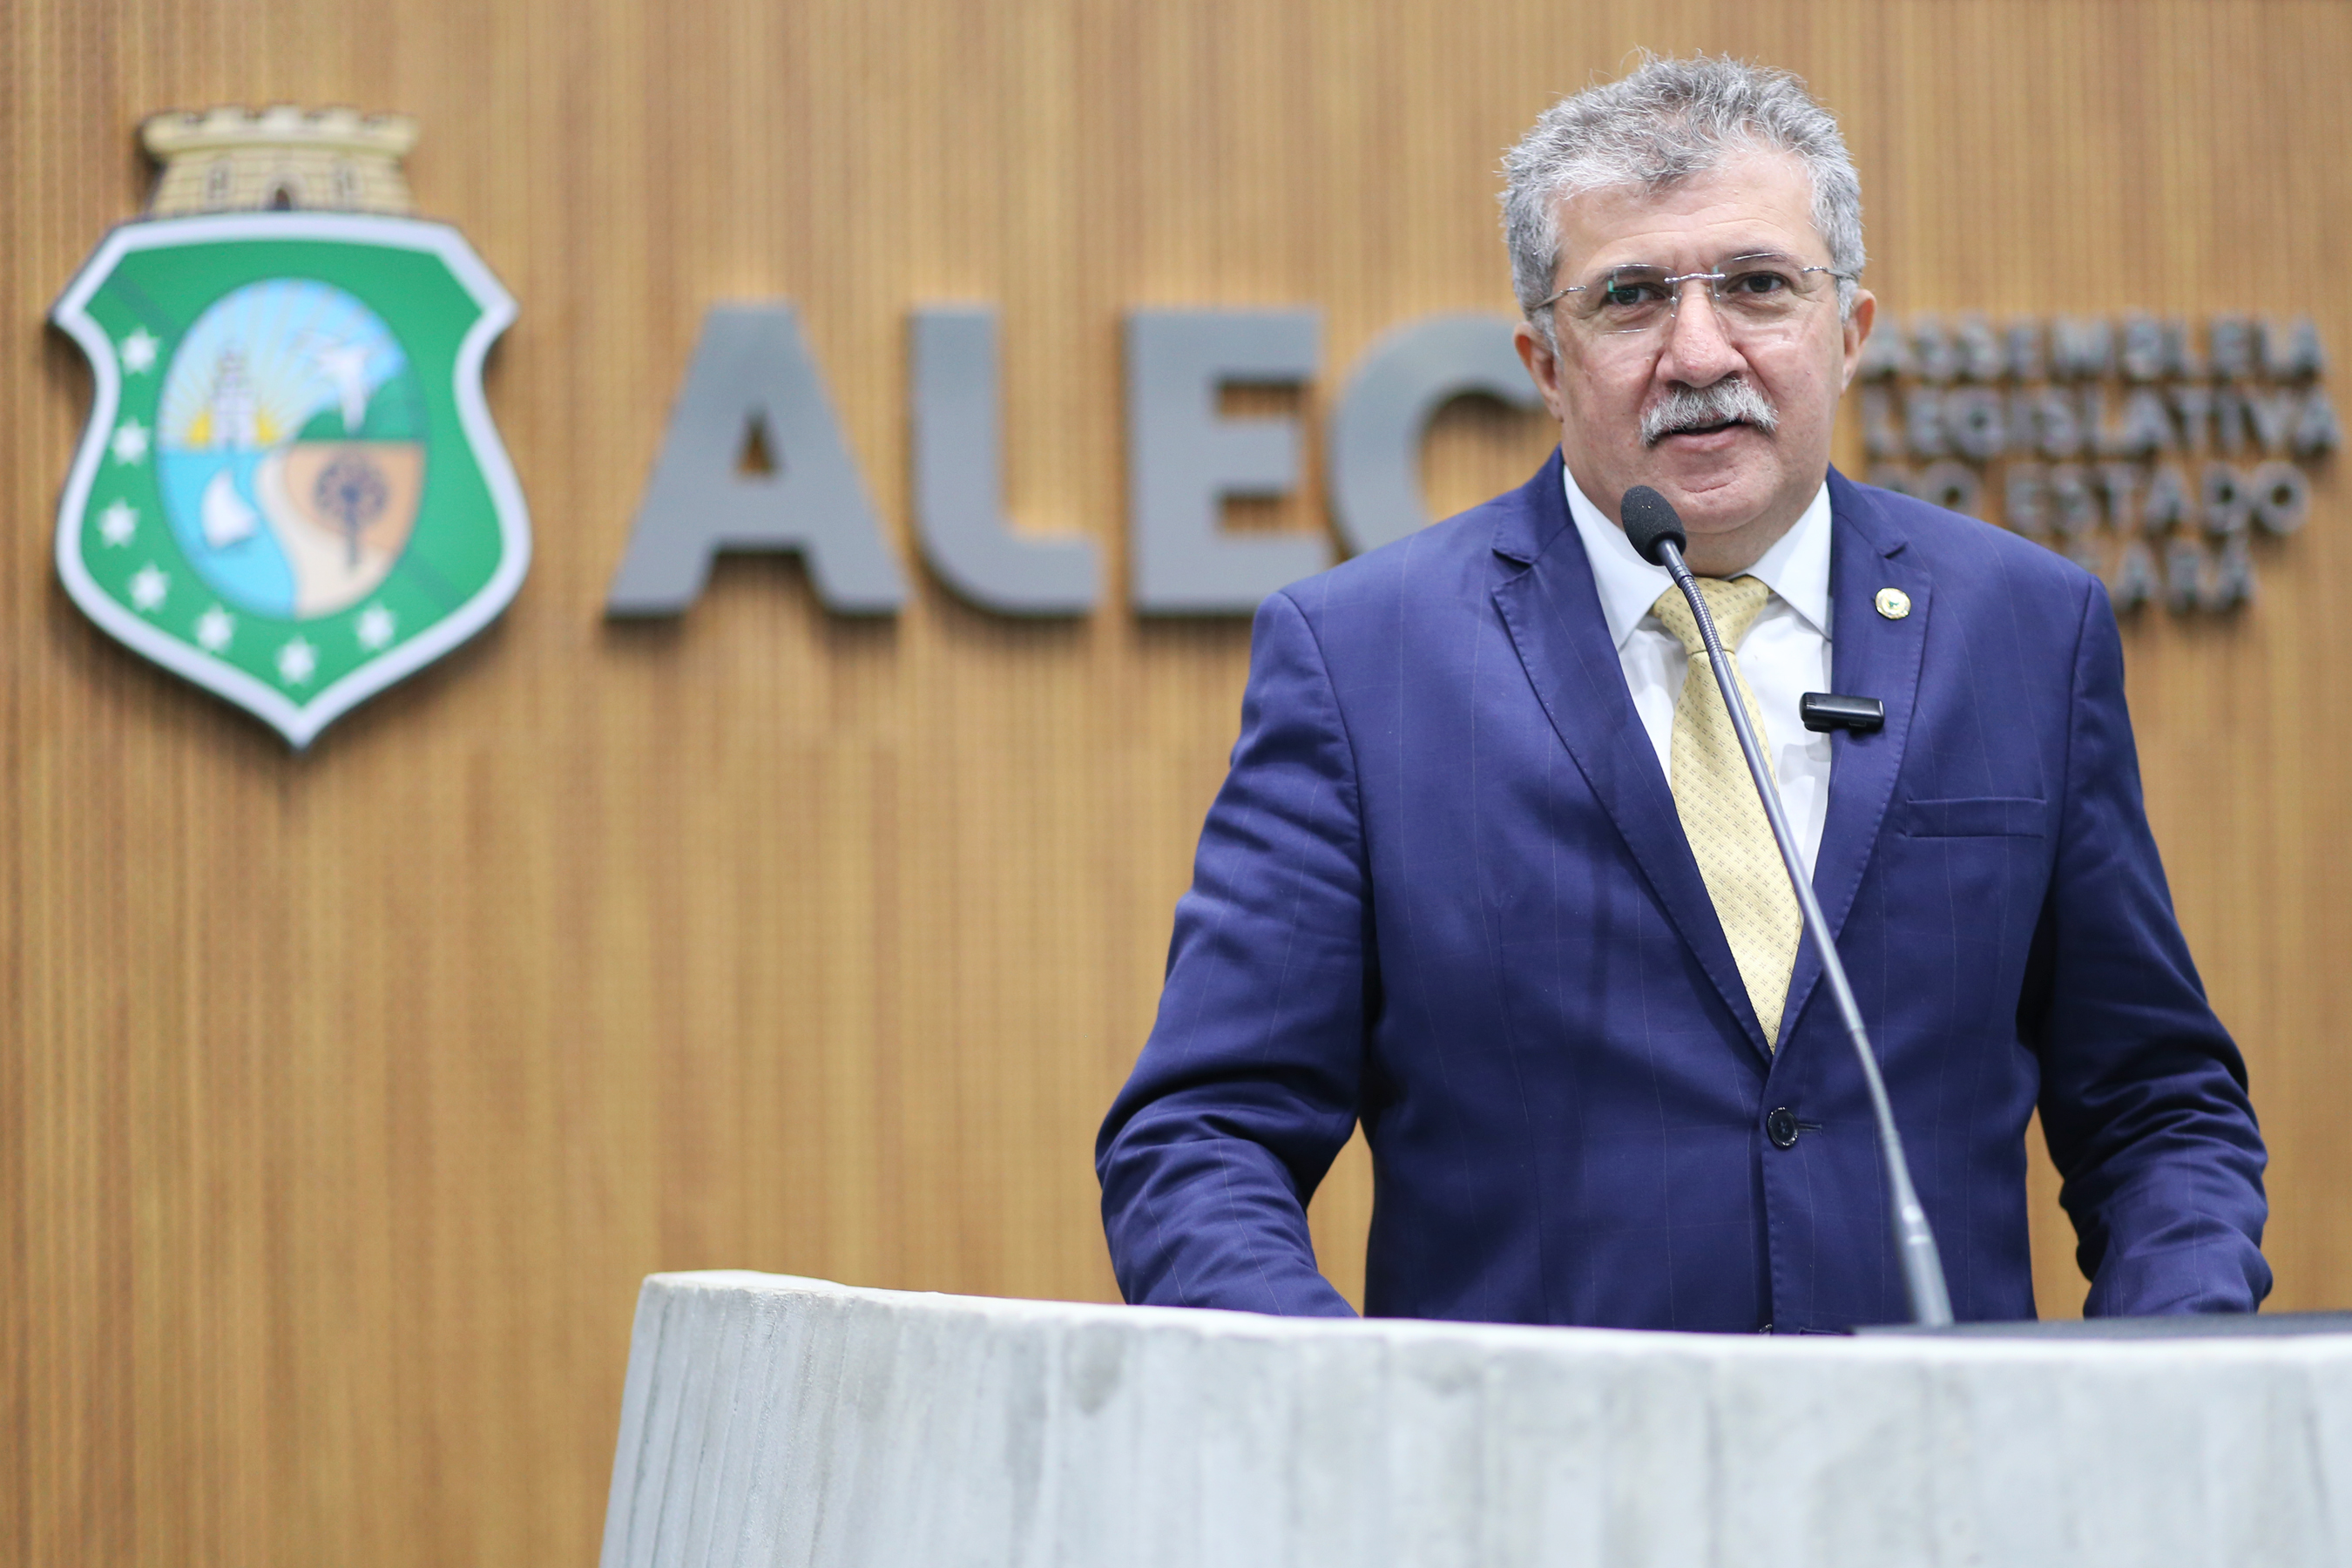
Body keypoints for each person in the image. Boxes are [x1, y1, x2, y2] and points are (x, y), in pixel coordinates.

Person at [1095, 54, 2269, 1330]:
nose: (1699, 351)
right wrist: (1354, 1422)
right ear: (1545, 361)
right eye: (1632, 298)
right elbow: (1203, 1134)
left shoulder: (2023, 630)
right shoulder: (1363, 657)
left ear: (1851, 329)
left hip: (1932, 1497)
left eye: (1760, 286)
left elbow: (2158, 1107)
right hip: (1521, 1503)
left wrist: (2164, 1384)